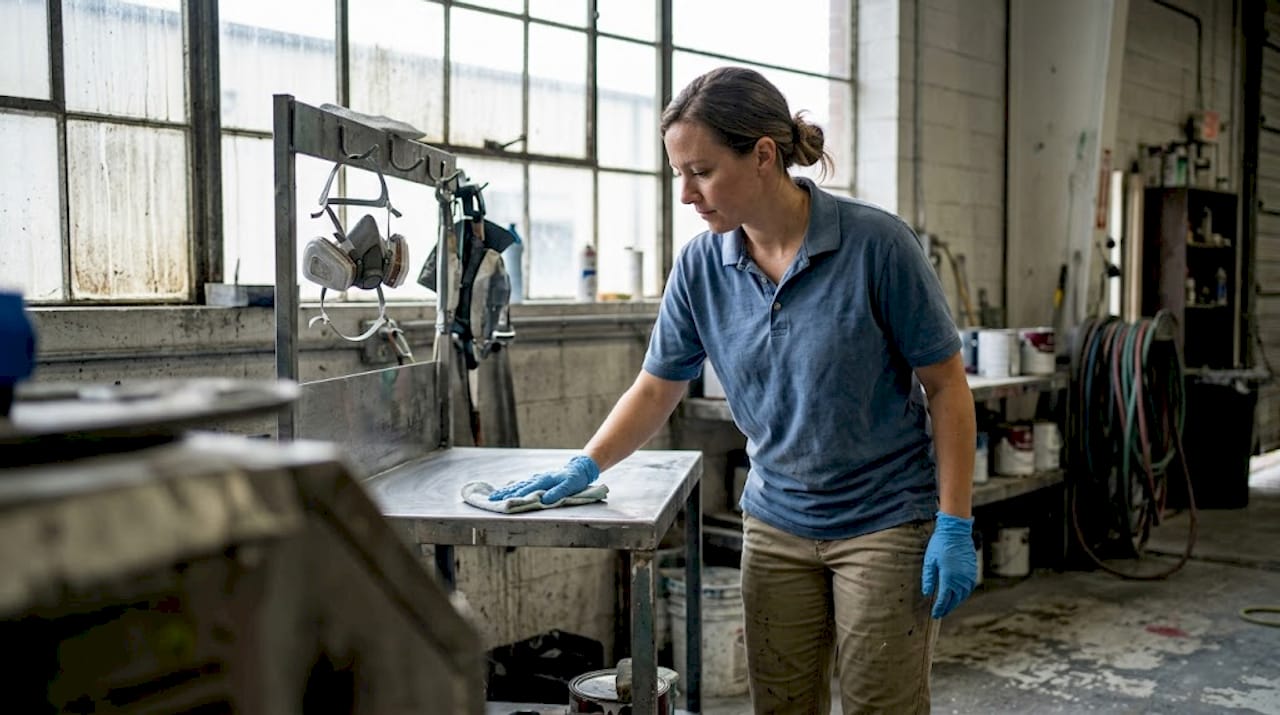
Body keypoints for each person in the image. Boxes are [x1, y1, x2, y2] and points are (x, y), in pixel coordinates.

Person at [491, 66, 977, 714]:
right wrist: (586, 463)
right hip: (777, 522)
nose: (686, 194)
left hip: (885, 521)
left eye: (702, 171)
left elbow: (947, 387)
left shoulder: (876, 245)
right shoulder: (701, 265)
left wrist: (954, 520)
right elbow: (656, 387)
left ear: (764, 156)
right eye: (678, 174)